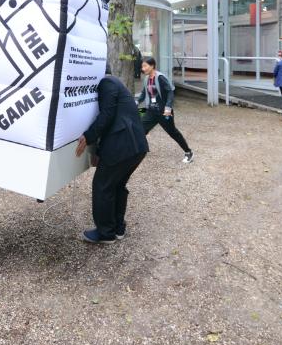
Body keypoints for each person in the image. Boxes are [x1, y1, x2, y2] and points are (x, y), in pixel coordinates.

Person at [76, 65, 149, 244]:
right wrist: (99, 151)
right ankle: (118, 228)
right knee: (117, 185)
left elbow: (106, 115)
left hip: (123, 146)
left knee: (102, 186)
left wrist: (88, 136)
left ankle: (105, 233)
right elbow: (114, 118)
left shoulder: (106, 82)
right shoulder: (116, 83)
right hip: (135, 147)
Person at [136, 56, 194, 163]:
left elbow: (170, 92)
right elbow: (144, 93)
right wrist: (136, 102)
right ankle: (141, 150)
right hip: (151, 111)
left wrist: (168, 108)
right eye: (142, 66)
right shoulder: (146, 79)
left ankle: (188, 152)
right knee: (141, 129)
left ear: (152, 66)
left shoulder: (160, 78)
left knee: (173, 132)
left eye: (145, 66)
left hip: (164, 112)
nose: (143, 69)